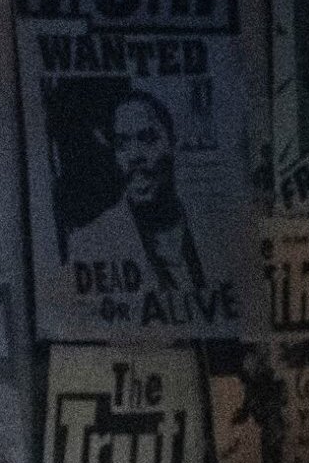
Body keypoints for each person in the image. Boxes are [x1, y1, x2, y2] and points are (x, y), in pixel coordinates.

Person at [59, 86, 213, 310]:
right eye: (122, 144)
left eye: (148, 139)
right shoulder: (88, 244)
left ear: (173, 143)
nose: (134, 156)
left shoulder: (213, 227)